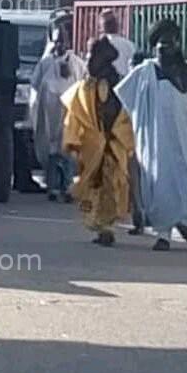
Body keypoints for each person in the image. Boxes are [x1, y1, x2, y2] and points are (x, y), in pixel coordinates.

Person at [115, 19, 187, 251]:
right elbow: (123, 99)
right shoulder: (144, 73)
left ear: (177, 44)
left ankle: (186, 225)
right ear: (154, 45)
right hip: (157, 142)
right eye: (160, 43)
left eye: (169, 43)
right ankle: (164, 235)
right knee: (161, 185)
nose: (164, 48)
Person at [62, 37, 134, 246]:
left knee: (109, 186)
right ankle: (103, 226)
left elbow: (121, 114)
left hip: (110, 144)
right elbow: (77, 112)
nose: (88, 60)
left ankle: (106, 227)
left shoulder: (113, 85)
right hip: (97, 146)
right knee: (98, 187)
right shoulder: (89, 86)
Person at [30, 26, 87, 202]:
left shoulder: (76, 63)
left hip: (69, 114)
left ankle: (68, 187)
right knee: (52, 151)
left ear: (68, 42)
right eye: (56, 41)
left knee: (68, 150)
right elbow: (35, 85)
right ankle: (53, 187)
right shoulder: (45, 63)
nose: (59, 44)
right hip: (49, 116)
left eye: (62, 40)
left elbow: (83, 85)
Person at [127, 51, 149, 236]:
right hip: (135, 140)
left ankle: (141, 219)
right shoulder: (131, 85)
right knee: (136, 183)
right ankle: (139, 219)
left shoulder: (134, 85)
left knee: (138, 183)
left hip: (141, 141)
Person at [98, 9, 135, 77]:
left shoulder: (98, 46)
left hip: (103, 85)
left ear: (102, 27)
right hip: (124, 83)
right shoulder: (128, 45)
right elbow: (134, 68)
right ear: (117, 25)